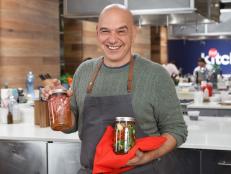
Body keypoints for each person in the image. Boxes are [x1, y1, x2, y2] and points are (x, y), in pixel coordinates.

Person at [43, 4, 187, 174]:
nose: (112, 39)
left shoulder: (156, 75)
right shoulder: (84, 71)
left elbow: (177, 130)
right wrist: (59, 103)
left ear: (134, 32)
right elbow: (70, 126)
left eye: (121, 31)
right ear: (97, 32)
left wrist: (148, 156)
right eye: (105, 31)